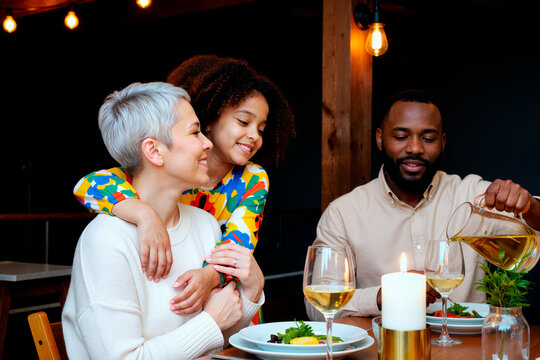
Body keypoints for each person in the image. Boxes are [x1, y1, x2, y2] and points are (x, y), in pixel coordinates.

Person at [73, 55, 294, 320]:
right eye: (244, 122)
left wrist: (209, 277)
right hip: (177, 300)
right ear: (210, 120)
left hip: (226, 295)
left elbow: (239, 241)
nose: (255, 135)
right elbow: (89, 185)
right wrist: (146, 216)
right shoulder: (171, 170)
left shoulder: (252, 178)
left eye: (261, 128)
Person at [62, 82, 265, 359]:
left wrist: (251, 293)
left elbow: (220, 339)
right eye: (195, 132)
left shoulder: (205, 224)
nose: (207, 142)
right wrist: (211, 322)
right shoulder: (105, 241)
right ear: (155, 151)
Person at [306, 89, 540, 319]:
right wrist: (380, 296)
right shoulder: (344, 213)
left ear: (443, 142)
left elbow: (532, 232)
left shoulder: (473, 195)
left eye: (428, 138)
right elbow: (317, 309)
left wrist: (529, 205)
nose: (415, 148)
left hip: (467, 350)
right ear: (380, 139)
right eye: (401, 136)